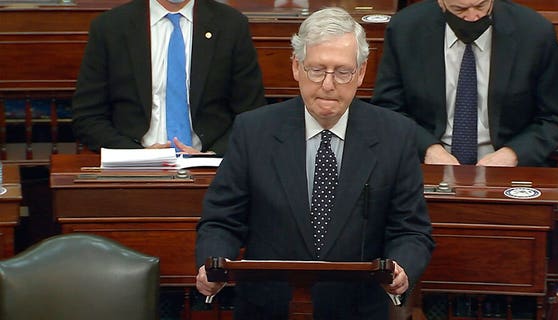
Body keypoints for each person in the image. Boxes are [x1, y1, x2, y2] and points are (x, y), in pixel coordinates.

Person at [195, 7, 434, 319]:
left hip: (357, 309)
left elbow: (411, 230)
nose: (328, 85)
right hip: (268, 309)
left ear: (361, 72)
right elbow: (222, 220)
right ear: (296, 67)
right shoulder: (254, 131)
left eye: (343, 72)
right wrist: (213, 264)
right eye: (317, 70)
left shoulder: (395, 135)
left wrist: (402, 269)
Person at [371, 0, 558, 167]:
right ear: (441, 3)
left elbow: (555, 117)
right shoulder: (406, 30)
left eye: (481, 6)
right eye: (459, 9)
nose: (472, 17)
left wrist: (513, 154)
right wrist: (428, 149)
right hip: (425, 162)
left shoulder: (534, 33)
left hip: (509, 164)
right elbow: (388, 109)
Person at [72, 0, 266, 154]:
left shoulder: (230, 25)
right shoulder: (110, 27)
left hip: (209, 163)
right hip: (133, 164)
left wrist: (214, 155)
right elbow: (88, 116)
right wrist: (137, 155)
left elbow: (251, 113)